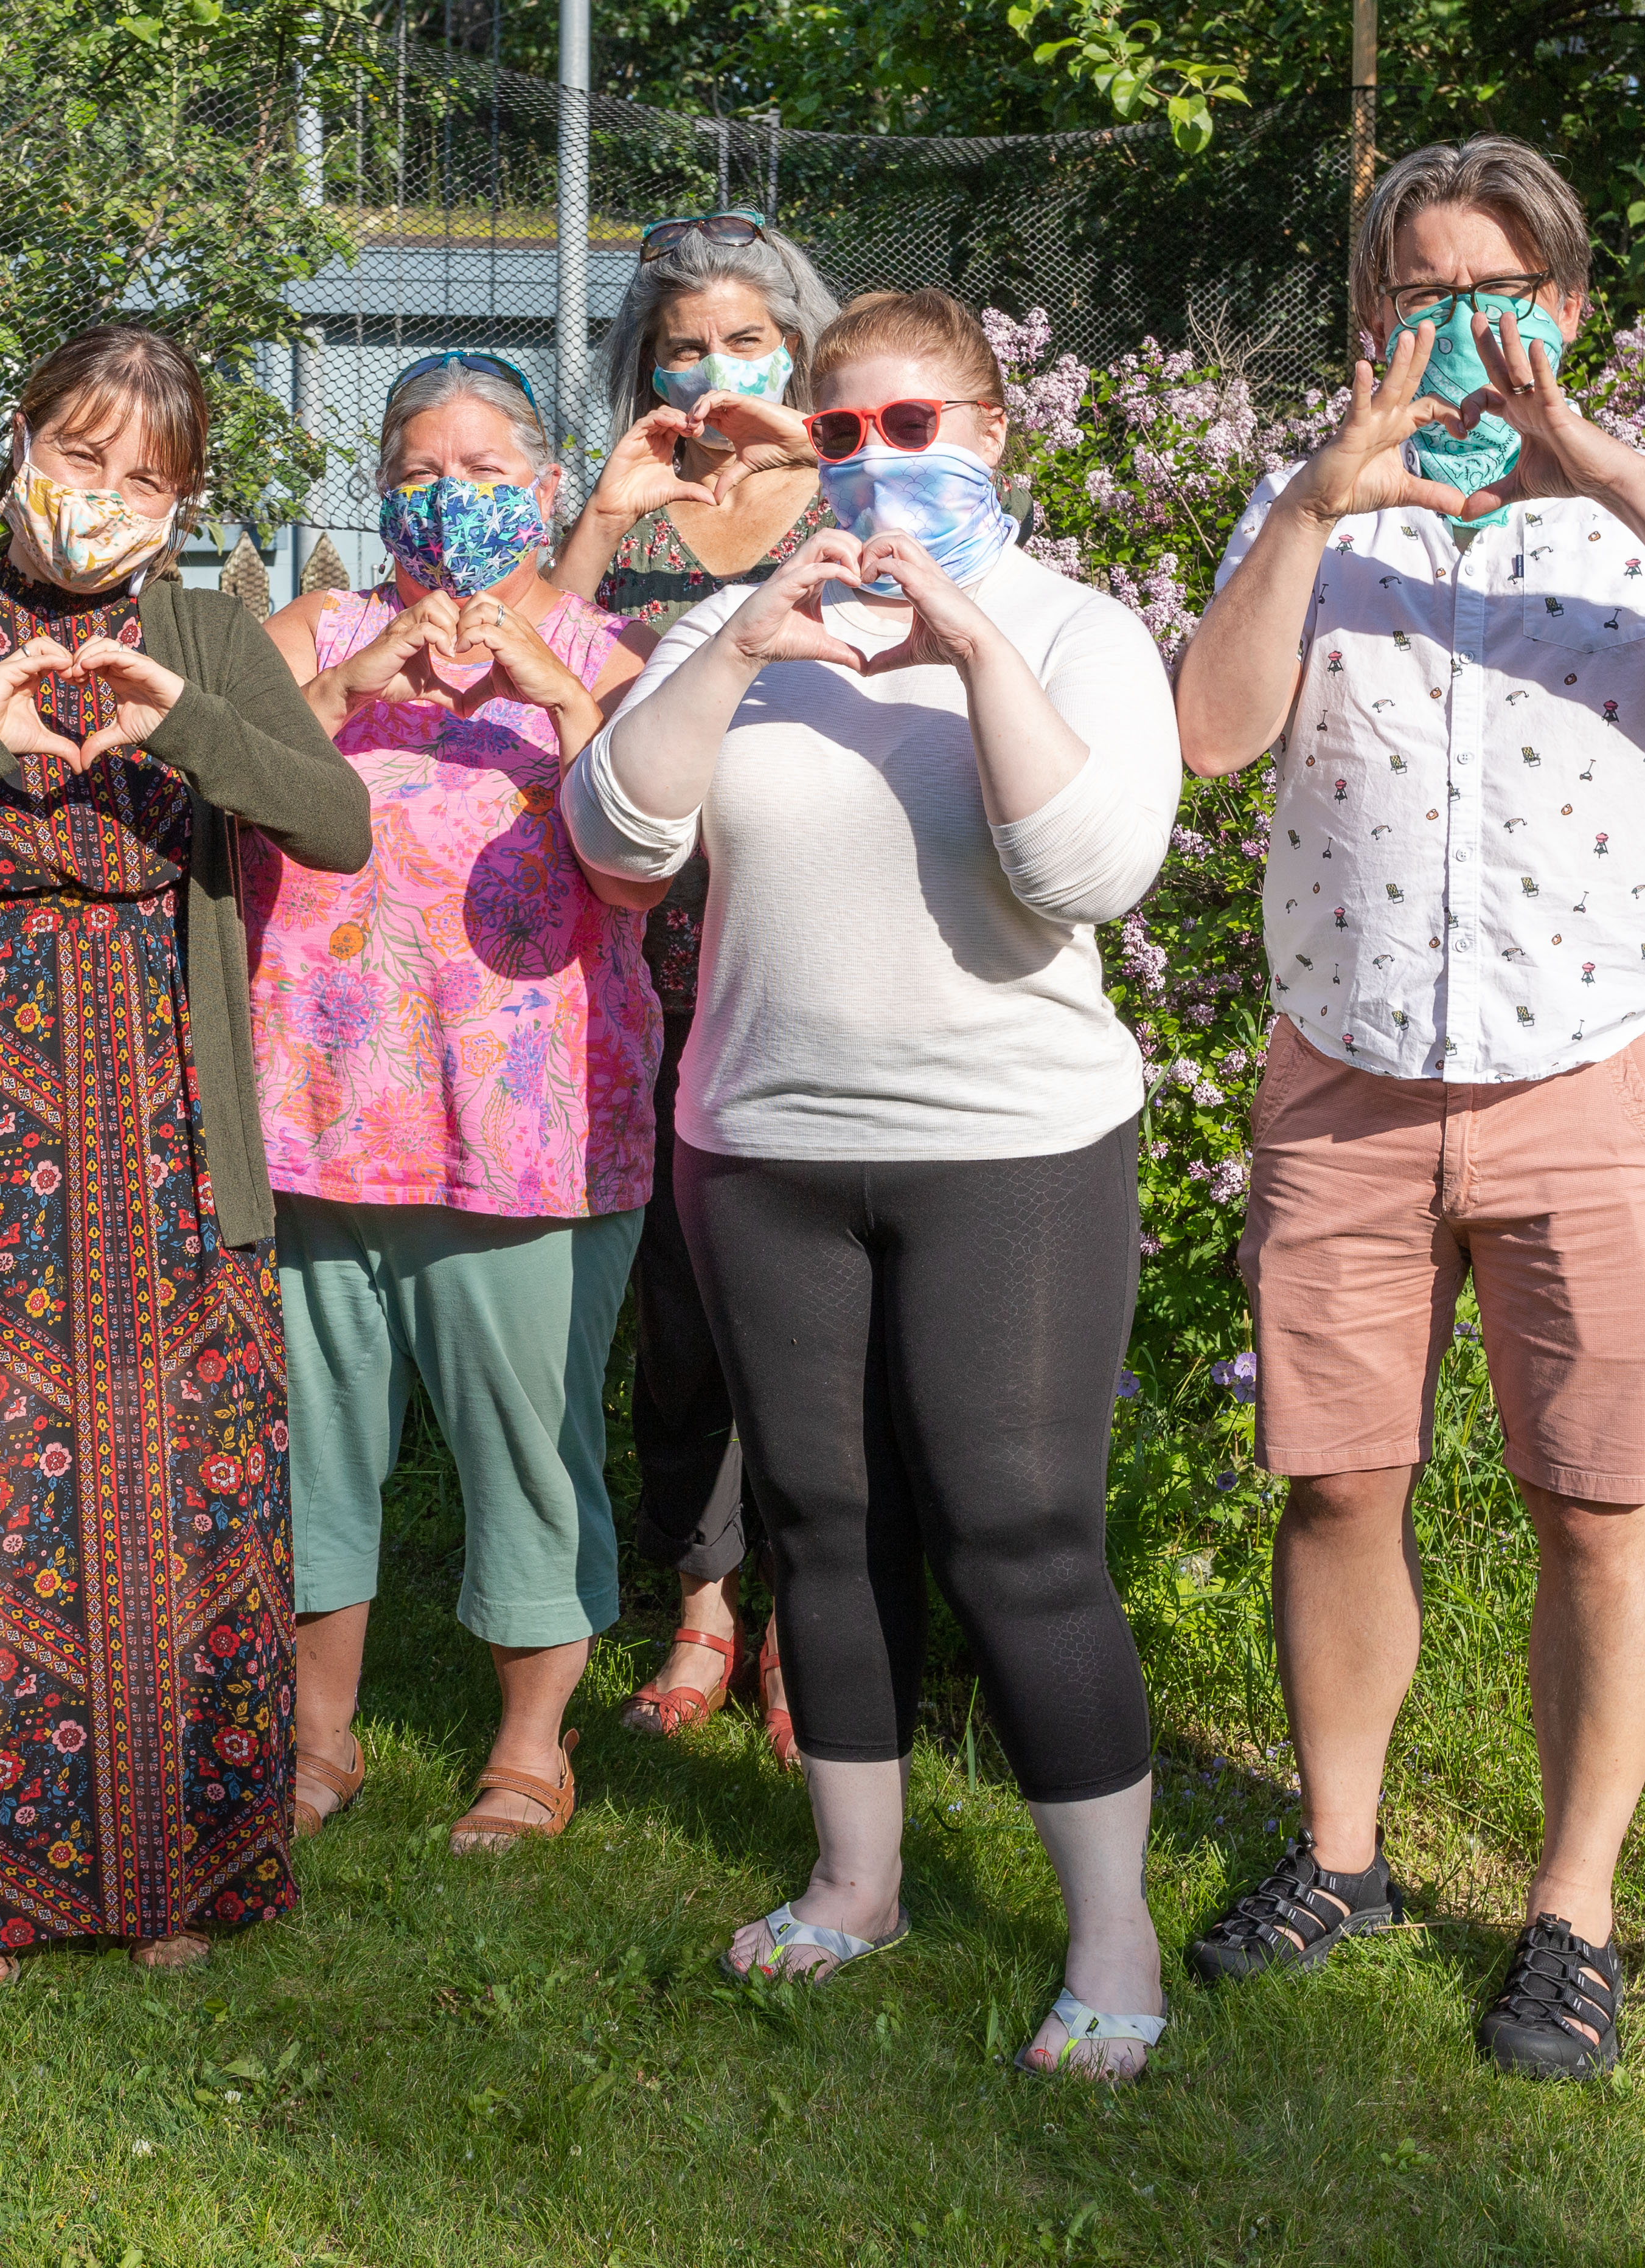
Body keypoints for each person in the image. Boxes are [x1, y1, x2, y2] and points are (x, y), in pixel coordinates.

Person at [1170, 137, 1645, 2081]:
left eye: (1492, 294)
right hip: (1349, 1071)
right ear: (1371, 317)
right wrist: (1318, 499)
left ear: (1560, 306)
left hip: (1586, 1071)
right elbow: (1206, 744)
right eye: (1415, 296)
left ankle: (1572, 1910)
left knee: (1596, 1502)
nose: (1454, 331)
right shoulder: (1310, 509)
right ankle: (1338, 1850)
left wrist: (1611, 474)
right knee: (1335, 1483)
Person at [566, 289, 1184, 2077]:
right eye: (842, 435)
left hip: (1013, 1153)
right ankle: (857, 1883)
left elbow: (1085, 871)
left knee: (1017, 1534)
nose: (878, 462)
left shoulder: (1077, 631)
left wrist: (969, 642)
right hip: (763, 1148)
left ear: (993, 434)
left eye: (917, 428)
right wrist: (751, 640)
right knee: (820, 1527)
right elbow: (616, 841)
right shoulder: (753, 632)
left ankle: (1112, 1936)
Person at [0, 326, 370, 1985]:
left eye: (143, 478)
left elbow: (335, 822)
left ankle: (178, 1877)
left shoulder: (207, 634)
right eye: (79, 455)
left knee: (177, 1511)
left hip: (172, 1132)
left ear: (180, 506)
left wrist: (192, 730)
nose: (99, 499)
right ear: (16, 438)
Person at [252, 352, 661, 1857]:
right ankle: (315, 1736)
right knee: (312, 1442)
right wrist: (354, 682)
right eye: (421, 472)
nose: (454, 498)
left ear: (549, 489)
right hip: (320, 1114)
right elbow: (226, 790)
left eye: (489, 472)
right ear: (380, 491)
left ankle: (528, 1747)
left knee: (527, 1443)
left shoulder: (605, 650)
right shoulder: (319, 630)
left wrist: (555, 693)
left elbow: (642, 864)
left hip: (531, 1129)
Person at [561, 210, 846, 1759]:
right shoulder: (634, 499)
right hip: (652, 947)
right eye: (684, 342)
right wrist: (603, 524)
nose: (714, 365)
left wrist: (817, 450)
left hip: (808, 935)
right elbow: (528, 655)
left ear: (799, 340)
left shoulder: (856, 489)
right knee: (680, 1296)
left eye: (746, 336)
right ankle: (705, 1597)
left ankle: (819, 1611)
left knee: (820, 1293)